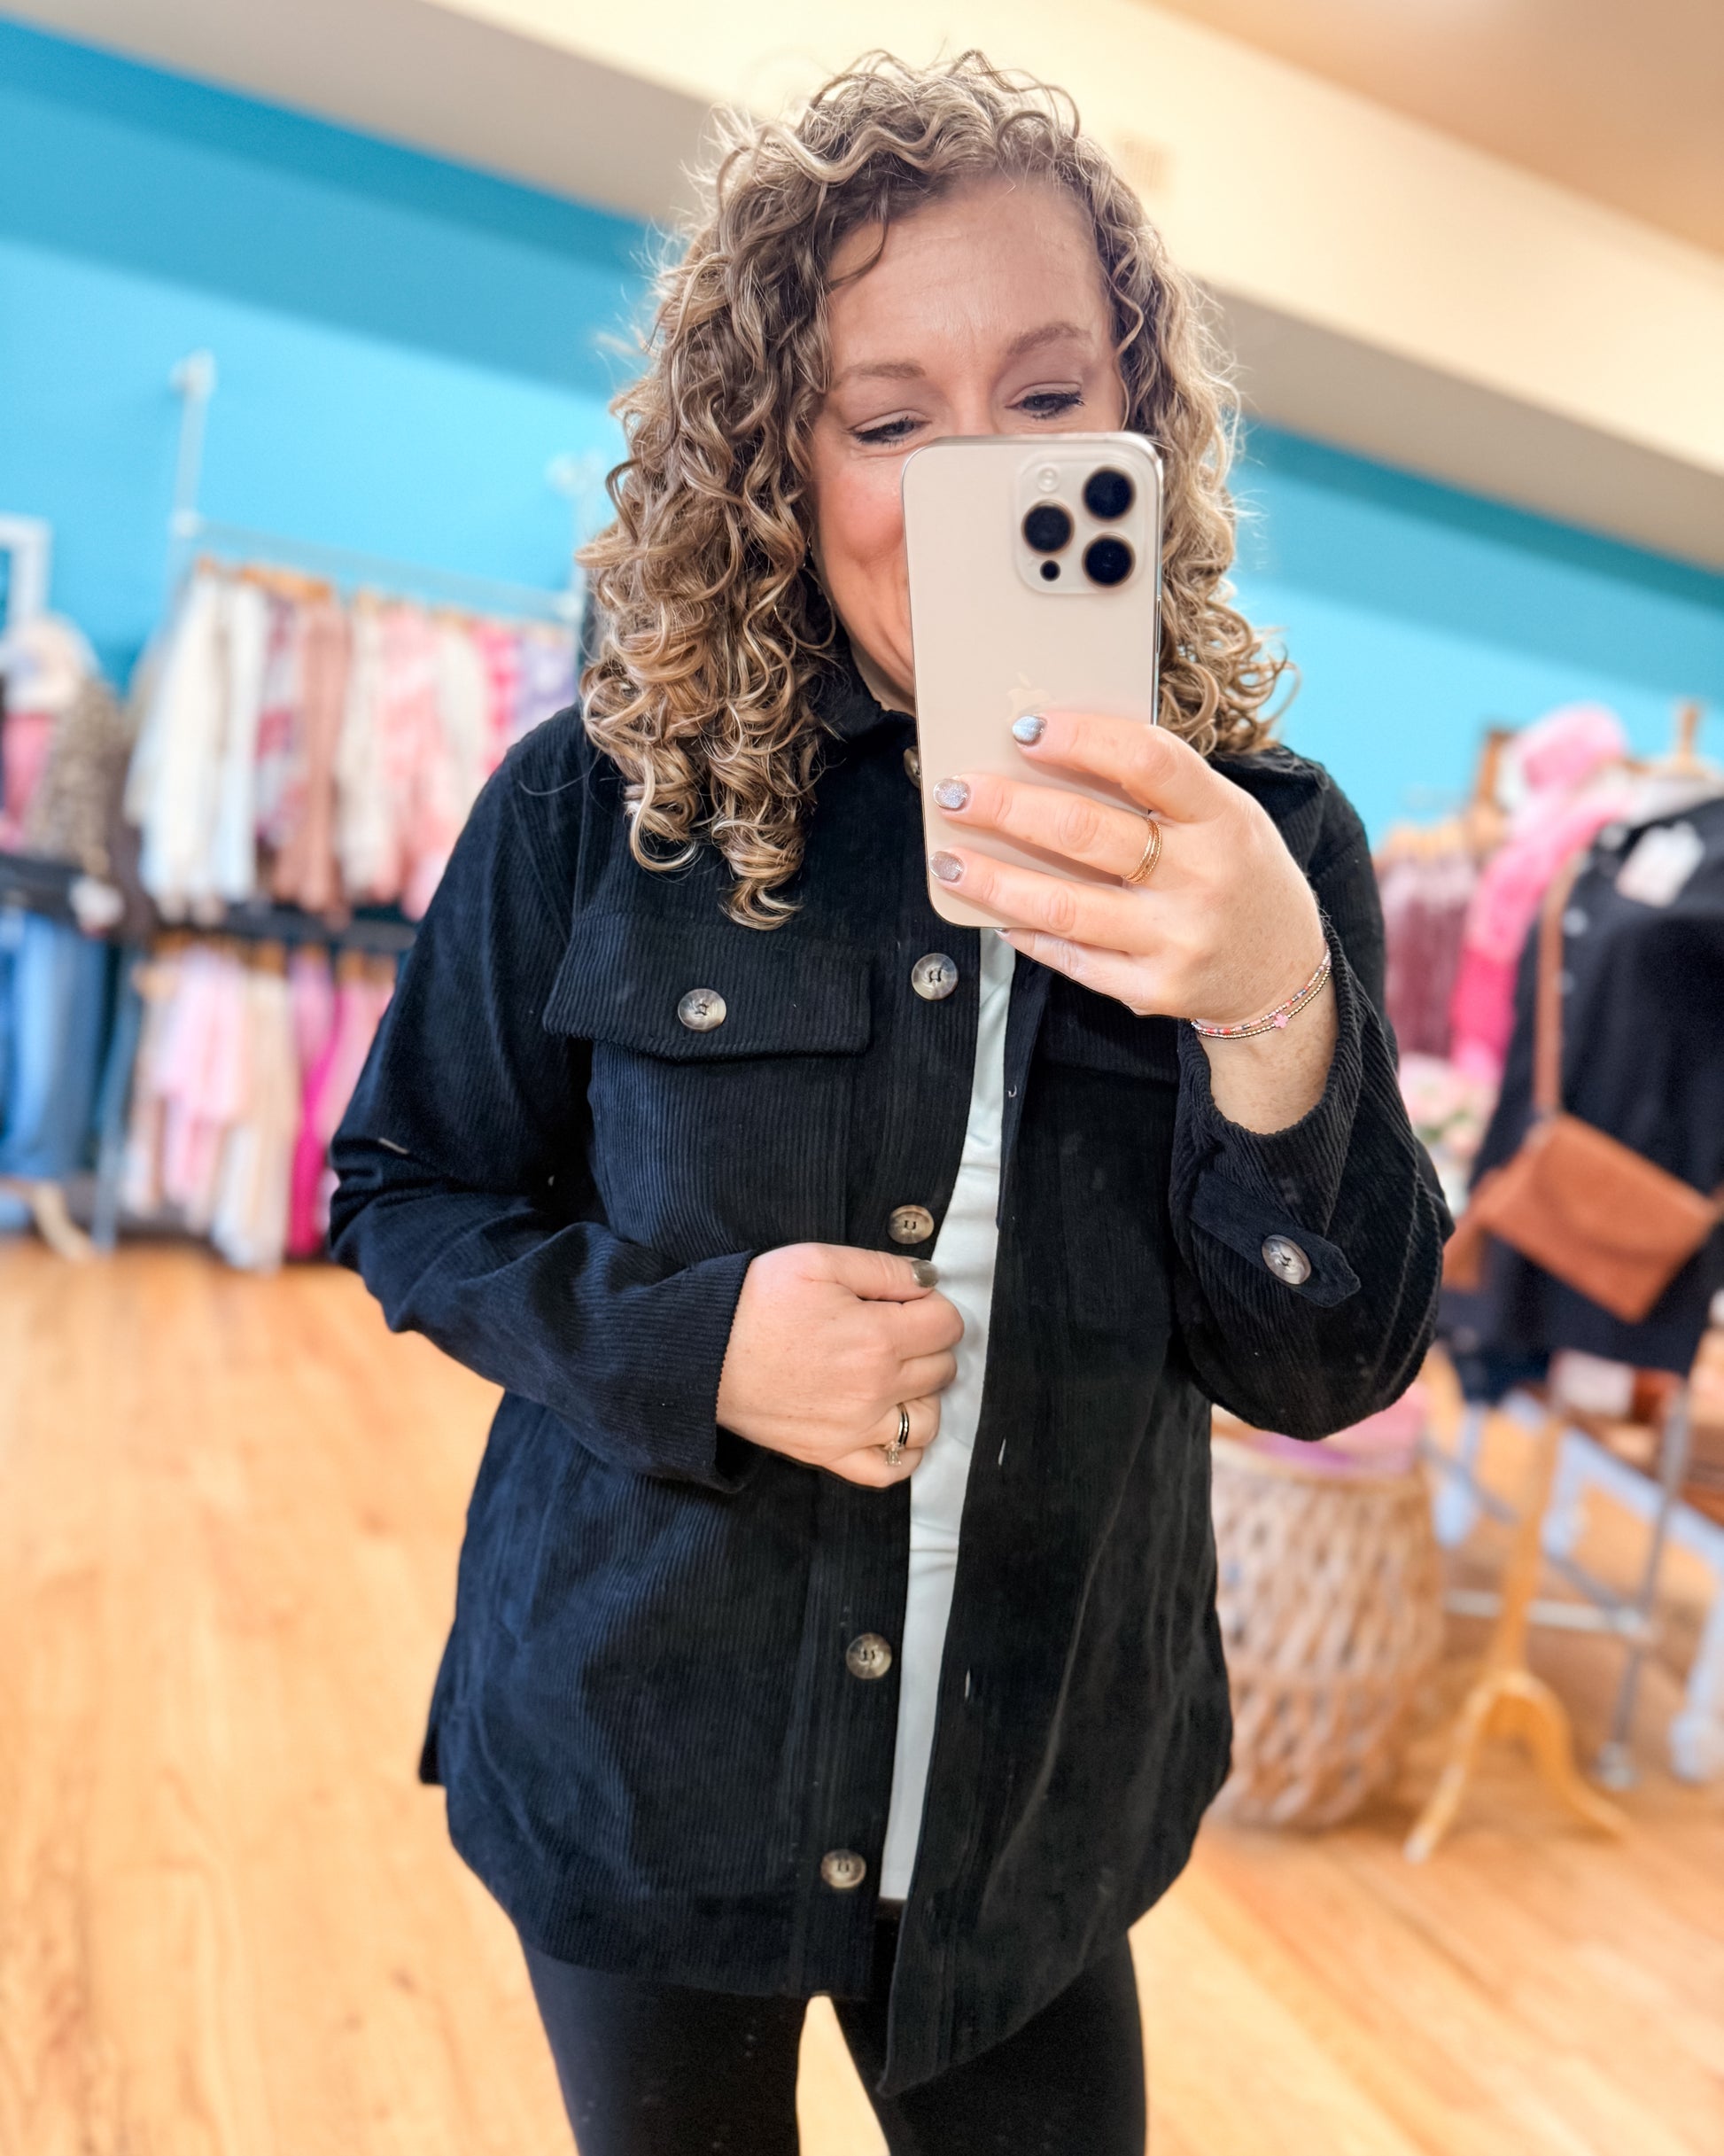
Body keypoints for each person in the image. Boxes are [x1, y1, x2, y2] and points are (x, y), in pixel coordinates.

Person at [331, 51, 1447, 2155]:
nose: (985, 482)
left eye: (1045, 401)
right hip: (647, 1759)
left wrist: (1271, 1002)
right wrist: (695, 1341)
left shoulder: (1266, 845)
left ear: (1140, 429)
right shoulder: (598, 801)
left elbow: (1327, 1361)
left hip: (1037, 1802)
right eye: (889, 419)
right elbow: (402, 1185)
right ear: (779, 459)